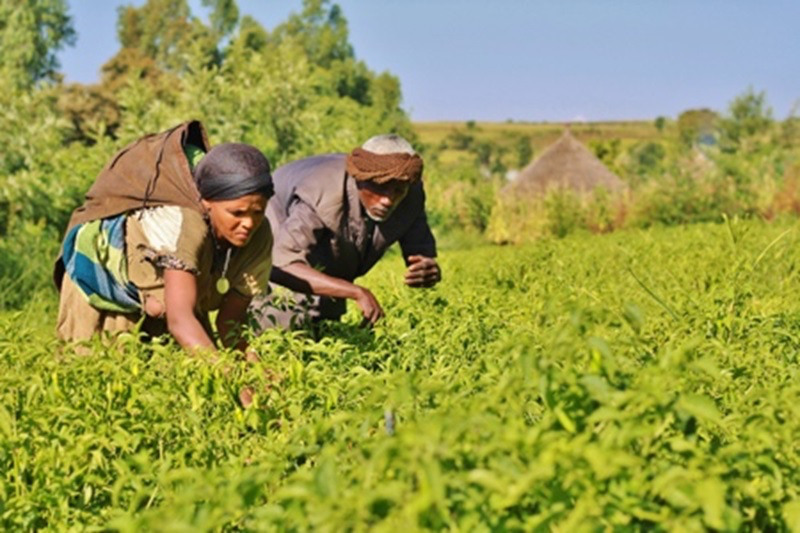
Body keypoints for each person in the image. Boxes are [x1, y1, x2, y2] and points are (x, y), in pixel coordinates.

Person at [54, 120, 273, 354]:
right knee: (100, 374)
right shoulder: (184, 225)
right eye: (236, 213)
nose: (248, 223)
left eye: (257, 212)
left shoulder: (259, 237)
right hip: (108, 294)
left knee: (193, 374)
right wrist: (231, 379)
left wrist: (257, 379)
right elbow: (180, 321)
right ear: (206, 203)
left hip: (172, 307)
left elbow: (232, 325)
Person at [250, 134, 441, 331]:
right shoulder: (322, 192)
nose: (388, 200)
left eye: (398, 190)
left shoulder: (410, 192)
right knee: (281, 316)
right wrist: (358, 293)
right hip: (278, 213)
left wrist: (427, 268)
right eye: (380, 187)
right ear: (361, 179)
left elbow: (420, 252)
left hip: (330, 230)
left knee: (326, 324)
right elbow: (283, 263)